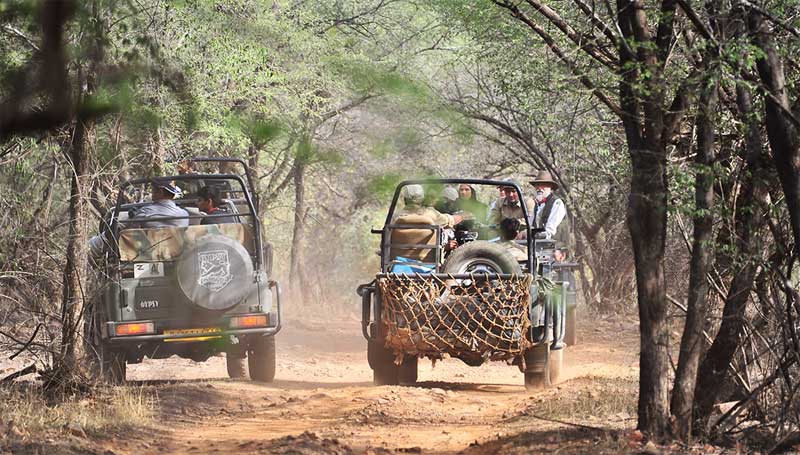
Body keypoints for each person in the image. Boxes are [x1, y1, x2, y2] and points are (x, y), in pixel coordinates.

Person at [392, 184, 468, 227]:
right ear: (422, 198)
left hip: (398, 253)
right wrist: (461, 216)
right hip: (426, 254)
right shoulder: (430, 213)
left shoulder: (396, 216)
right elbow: (450, 220)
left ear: (405, 199)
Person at [529, 170, 568, 244]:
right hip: (538, 246)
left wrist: (532, 234)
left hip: (556, 248)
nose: (539, 188)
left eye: (543, 185)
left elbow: (549, 231)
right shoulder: (535, 205)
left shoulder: (557, 203)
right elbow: (531, 225)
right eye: (537, 185)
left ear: (550, 187)